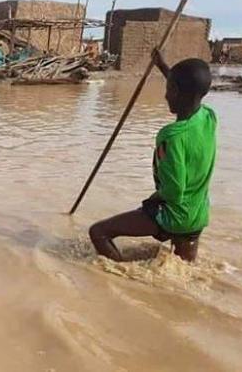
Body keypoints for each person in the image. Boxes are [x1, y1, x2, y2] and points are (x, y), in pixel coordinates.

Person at [88, 51, 217, 262]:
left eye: (168, 90)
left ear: (175, 91)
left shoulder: (171, 137)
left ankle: (122, 279)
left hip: (174, 214)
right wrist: (162, 66)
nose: (165, 96)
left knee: (98, 232)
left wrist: (152, 201)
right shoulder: (208, 117)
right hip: (198, 215)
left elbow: (174, 192)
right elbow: (188, 88)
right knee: (184, 269)